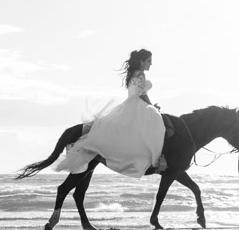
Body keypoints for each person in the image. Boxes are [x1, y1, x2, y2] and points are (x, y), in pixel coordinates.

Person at [55, 48, 167, 177]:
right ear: (142, 61)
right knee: (157, 123)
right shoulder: (140, 74)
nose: (150, 64)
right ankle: (155, 160)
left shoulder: (133, 73)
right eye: (148, 61)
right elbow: (142, 94)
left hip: (130, 104)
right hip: (137, 104)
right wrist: (152, 106)